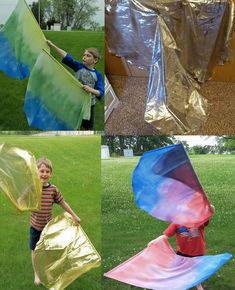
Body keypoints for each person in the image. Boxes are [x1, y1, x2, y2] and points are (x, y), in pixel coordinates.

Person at [30, 157, 81, 286]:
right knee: (35, 251)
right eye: (41, 171)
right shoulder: (33, 188)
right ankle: (36, 273)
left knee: (47, 251)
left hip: (48, 228)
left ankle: (47, 271)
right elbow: (23, 199)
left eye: (47, 171)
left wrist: (74, 216)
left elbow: (63, 203)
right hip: (35, 227)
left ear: (50, 173)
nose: (44, 174)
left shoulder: (53, 189)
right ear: (36, 173)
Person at [149, 205, 215, 290]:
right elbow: (166, 236)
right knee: (175, 268)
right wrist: (155, 240)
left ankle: (199, 286)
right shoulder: (176, 223)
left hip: (198, 252)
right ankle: (173, 282)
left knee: (196, 271)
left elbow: (210, 211)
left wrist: (207, 206)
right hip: (182, 252)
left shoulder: (199, 220)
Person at [46, 40, 104, 130]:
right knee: (72, 124)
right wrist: (53, 46)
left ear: (95, 60)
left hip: (89, 107)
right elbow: (67, 57)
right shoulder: (78, 67)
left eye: (88, 56)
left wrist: (91, 90)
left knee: (87, 128)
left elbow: (100, 93)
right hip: (75, 103)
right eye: (84, 55)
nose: (84, 57)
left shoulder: (98, 75)